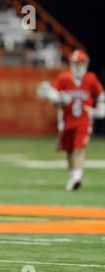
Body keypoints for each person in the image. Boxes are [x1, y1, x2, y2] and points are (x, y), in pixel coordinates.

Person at [37, 50, 104, 191]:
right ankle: (72, 176)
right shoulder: (64, 78)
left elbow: (101, 94)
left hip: (84, 119)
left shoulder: (91, 78)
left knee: (80, 147)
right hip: (66, 119)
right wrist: (59, 99)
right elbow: (54, 100)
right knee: (68, 149)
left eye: (80, 63)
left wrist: (100, 108)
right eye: (75, 63)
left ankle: (77, 177)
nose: (78, 66)